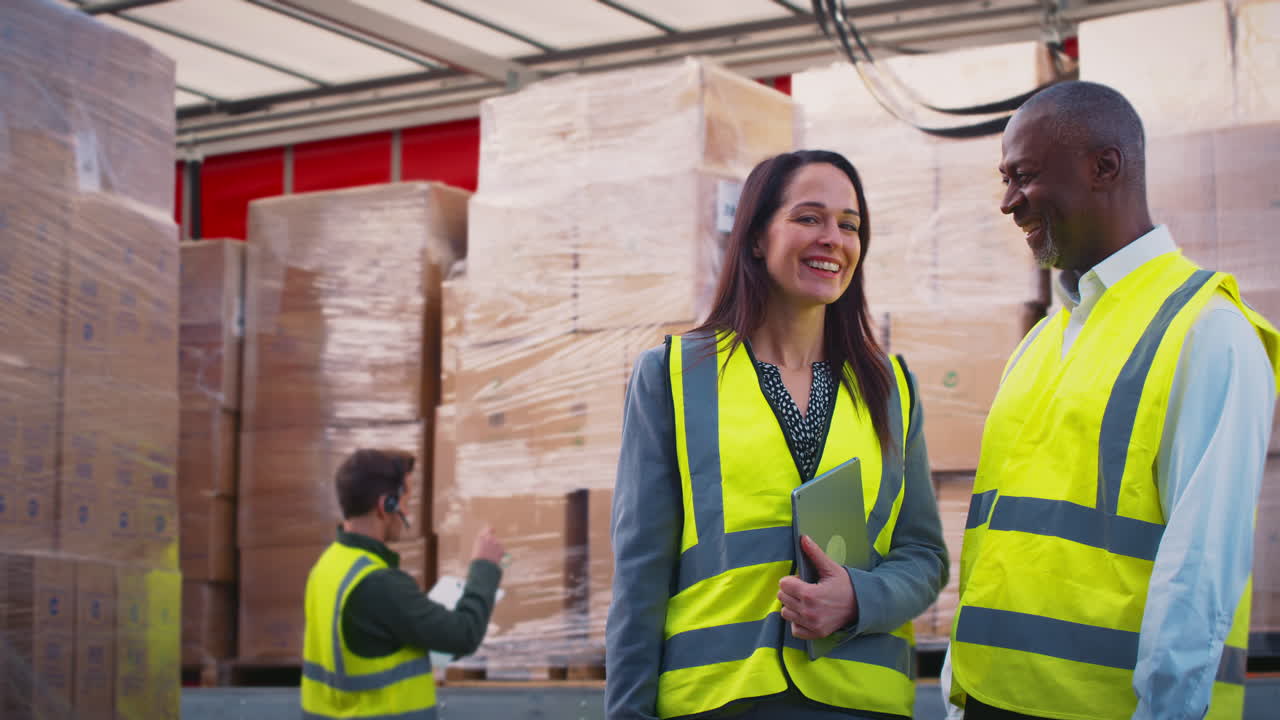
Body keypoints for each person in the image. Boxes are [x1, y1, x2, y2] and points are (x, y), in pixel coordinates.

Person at [946, 81, 1280, 720]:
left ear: (1105, 167)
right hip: (991, 699)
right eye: (1005, 180)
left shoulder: (1207, 330)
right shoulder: (1045, 338)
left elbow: (1200, 569)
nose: (1009, 203)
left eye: (1025, 176)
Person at [606, 150, 949, 719]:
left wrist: (861, 598)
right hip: (719, 699)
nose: (832, 239)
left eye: (850, 225)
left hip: (860, 702)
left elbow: (923, 553)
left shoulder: (891, 387)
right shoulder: (674, 375)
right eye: (808, 218)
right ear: (758, 237)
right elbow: (641, 570)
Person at [300, 448, 505, 719]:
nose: (407, 512)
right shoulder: (379, 584)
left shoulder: (327, 566)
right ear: (386, 506)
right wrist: (485, 567)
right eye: (406, 501)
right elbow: (463, 635)